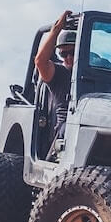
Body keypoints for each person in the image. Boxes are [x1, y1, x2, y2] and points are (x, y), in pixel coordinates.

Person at [34, 10, 75, 152]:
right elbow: (40, 62)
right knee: (71, 129)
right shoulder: (59, 74)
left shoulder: (95, 71)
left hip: (94, 122)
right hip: (65, 133)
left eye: (73, 53)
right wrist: (56, 30)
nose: (68, 57)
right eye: (63, 54)